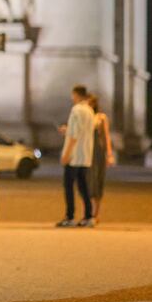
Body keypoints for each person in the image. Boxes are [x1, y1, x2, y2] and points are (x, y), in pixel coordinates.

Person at [57, 84, 96, 228]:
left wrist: (66, 154)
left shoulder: (76, 110)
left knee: (69, 186)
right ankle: (88, 216)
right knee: (83, 187)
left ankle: (70, 216)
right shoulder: (90, 110)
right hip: (85, 154)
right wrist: (67, 130)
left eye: (72, 95)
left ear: (76, 94)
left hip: (74, 156)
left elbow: (74, 134)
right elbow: (82, 131)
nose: (71, 98)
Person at [86, 94, 115, 224]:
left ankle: (95, 213)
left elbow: (106, 136)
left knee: (97, 181)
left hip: (97, 152)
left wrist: (109, 154)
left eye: (90, 103)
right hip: (86, 151)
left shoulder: (101, 118)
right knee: (87, 182)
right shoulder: (84, 116)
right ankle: (88, 212)